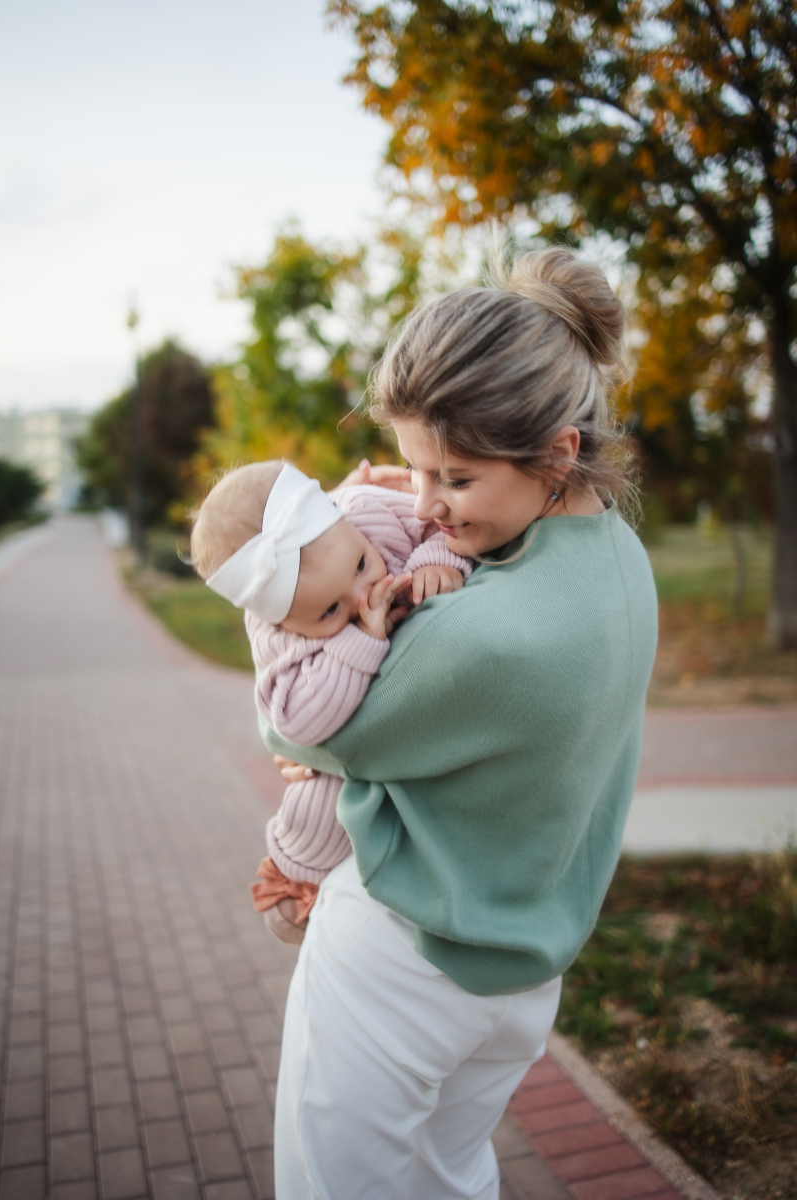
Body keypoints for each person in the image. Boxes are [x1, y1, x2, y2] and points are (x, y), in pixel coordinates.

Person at [265, 245, 659, 1200]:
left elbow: (300, 727)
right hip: (522, 977)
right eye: (411, 472)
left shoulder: (475, 632)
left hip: (400, 955)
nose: (427, 506)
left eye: (456, 478)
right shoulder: (622, 561)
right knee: (452, 1180)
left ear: (559, 449)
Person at [190, 462, 472, 942]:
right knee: (319, 796)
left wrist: (435, 562)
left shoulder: (365, 510)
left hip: (431, 748)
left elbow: (441, 527)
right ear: (286, 624)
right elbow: (297, 721)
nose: (363, 598)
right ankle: (299, 875)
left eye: (362, 564)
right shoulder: (278, 635)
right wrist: (359, 640)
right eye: (329, 611)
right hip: (341, 753)